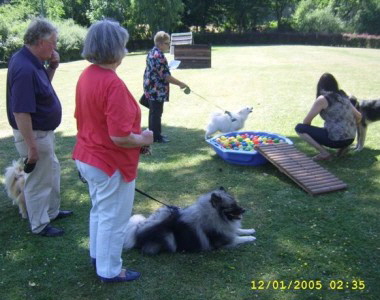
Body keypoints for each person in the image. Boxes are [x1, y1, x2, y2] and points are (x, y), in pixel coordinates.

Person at [72, 20, 153, 283]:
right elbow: (119, 136)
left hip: (89, 157)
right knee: (114, 219)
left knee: (100, 211)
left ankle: (98, 256)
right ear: (115, 48)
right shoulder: (112, 84)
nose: (125, 50)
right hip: (108, 162)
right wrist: (144, 138)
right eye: (123, 45)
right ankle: (109, 270)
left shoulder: (87, 75)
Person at [6, 18, 73, 237]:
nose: (55, 47)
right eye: (53, 42)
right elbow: (20, 112)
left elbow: (43, 86)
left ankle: (51, 212)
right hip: (34, 135)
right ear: (40, 41)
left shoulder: (32, 62)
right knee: (38, 180)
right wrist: (31, 147)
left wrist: (52, 66)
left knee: (51, 172)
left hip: (43, 133)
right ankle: (39, 224)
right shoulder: (24, 67)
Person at [295, 73, 362, 161]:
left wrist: (311, 131)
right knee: (336, 130)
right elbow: (359, 116)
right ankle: (343, 148)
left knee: (300, 128)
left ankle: (324, 153)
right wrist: (350, 127)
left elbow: (306, 121)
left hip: (335, 140)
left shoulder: (323, 99)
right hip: (350, 139)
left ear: (320, 86)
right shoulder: (343, 96)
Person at [143, 31, 189, 143]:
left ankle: (154, 134)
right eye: (167, 43)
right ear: (160, 43)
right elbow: (166, 76)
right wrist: (180, 83)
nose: (169, 45)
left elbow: (158, 70)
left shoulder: (152, 52)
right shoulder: (159, 55)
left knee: (154, 112)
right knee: (156, 113)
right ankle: (156, 137)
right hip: (156, 89)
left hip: (150, 86)